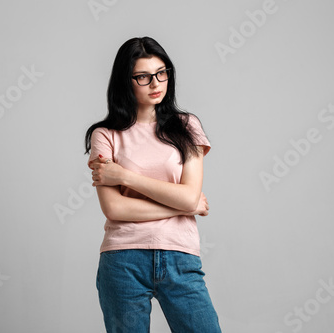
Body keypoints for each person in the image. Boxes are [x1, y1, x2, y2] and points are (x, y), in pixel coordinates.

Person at [84, 36, 222, 332]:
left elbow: (188, 198)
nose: (156, 83)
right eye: (143, 77)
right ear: (126, 81)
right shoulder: (104, 136)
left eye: (162, 73)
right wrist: (184, 204)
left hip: (180, 257)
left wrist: (124, 177)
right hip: (123, 260)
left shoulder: (187, 126)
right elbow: (115, 208)